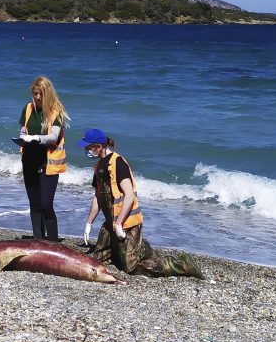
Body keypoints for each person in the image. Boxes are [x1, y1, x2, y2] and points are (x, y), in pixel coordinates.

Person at [78, 128, 204, 279]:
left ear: (98, 146)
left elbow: (129, 195)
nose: (86, 151)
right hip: (111, 223)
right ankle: (141, 249)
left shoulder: (118, 163)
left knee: (130, 267)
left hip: (128, 223)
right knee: (97, 260)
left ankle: (181, 263)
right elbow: (98, 197)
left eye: (88, 147)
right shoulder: (98, 167)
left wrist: (119, 224)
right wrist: (89, 223)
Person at [18, 75, 70, 241]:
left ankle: (53, 241)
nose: (37, 97)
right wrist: (23, 137)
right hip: (29, 160)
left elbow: (54, 137)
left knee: (46, 204)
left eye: (40, 94)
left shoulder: (56, 111)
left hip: (48, 163)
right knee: (35, 204)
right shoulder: (27, 109)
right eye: (35, 94)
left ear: (47, 93)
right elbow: (22, 130)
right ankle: (38, 240)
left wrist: (37, 138)